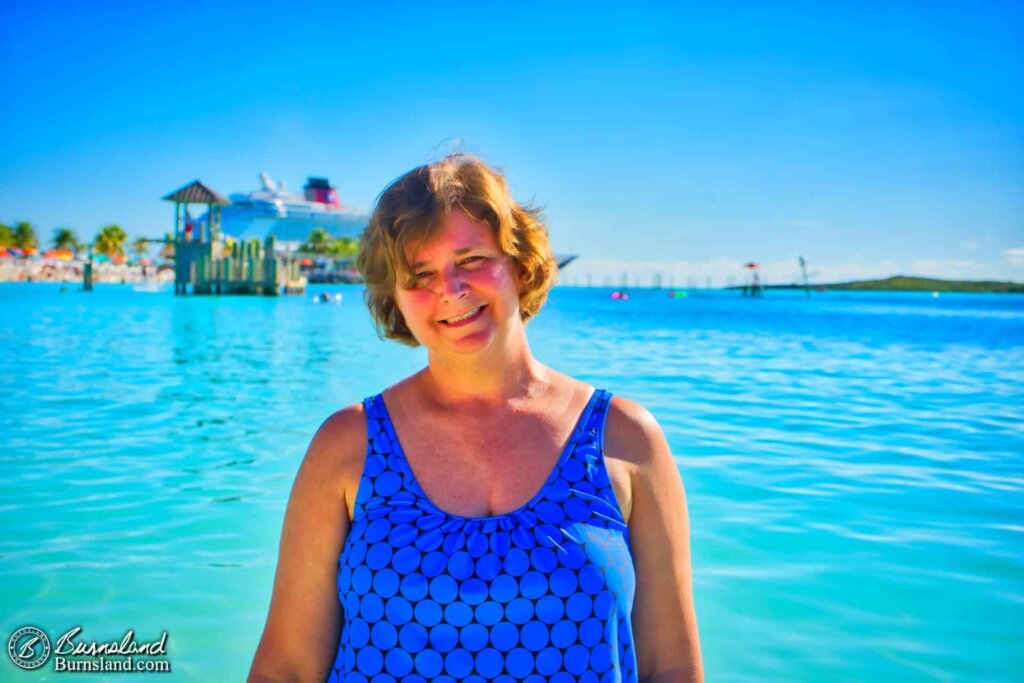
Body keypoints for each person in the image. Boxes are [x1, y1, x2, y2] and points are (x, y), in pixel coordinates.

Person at [249, 154, 703, 682]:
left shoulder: (625, 438)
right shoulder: (347, 446)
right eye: (420, 273)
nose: (450, 288)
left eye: (469, 259)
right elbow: (286, 668)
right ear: (394, 298)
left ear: (520, 263)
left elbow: (672, 667)